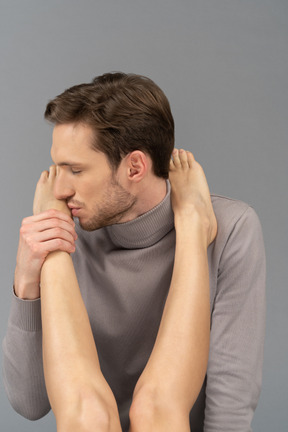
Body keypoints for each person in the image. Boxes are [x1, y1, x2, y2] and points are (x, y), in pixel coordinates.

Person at [2, 72, 266, 431]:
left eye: (75, 170)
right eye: (57, 167)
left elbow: (230, 407)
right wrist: (27, 279)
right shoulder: (67, 227)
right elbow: (29, 404)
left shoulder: (232, 228)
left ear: (135, 167)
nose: (59, 189)